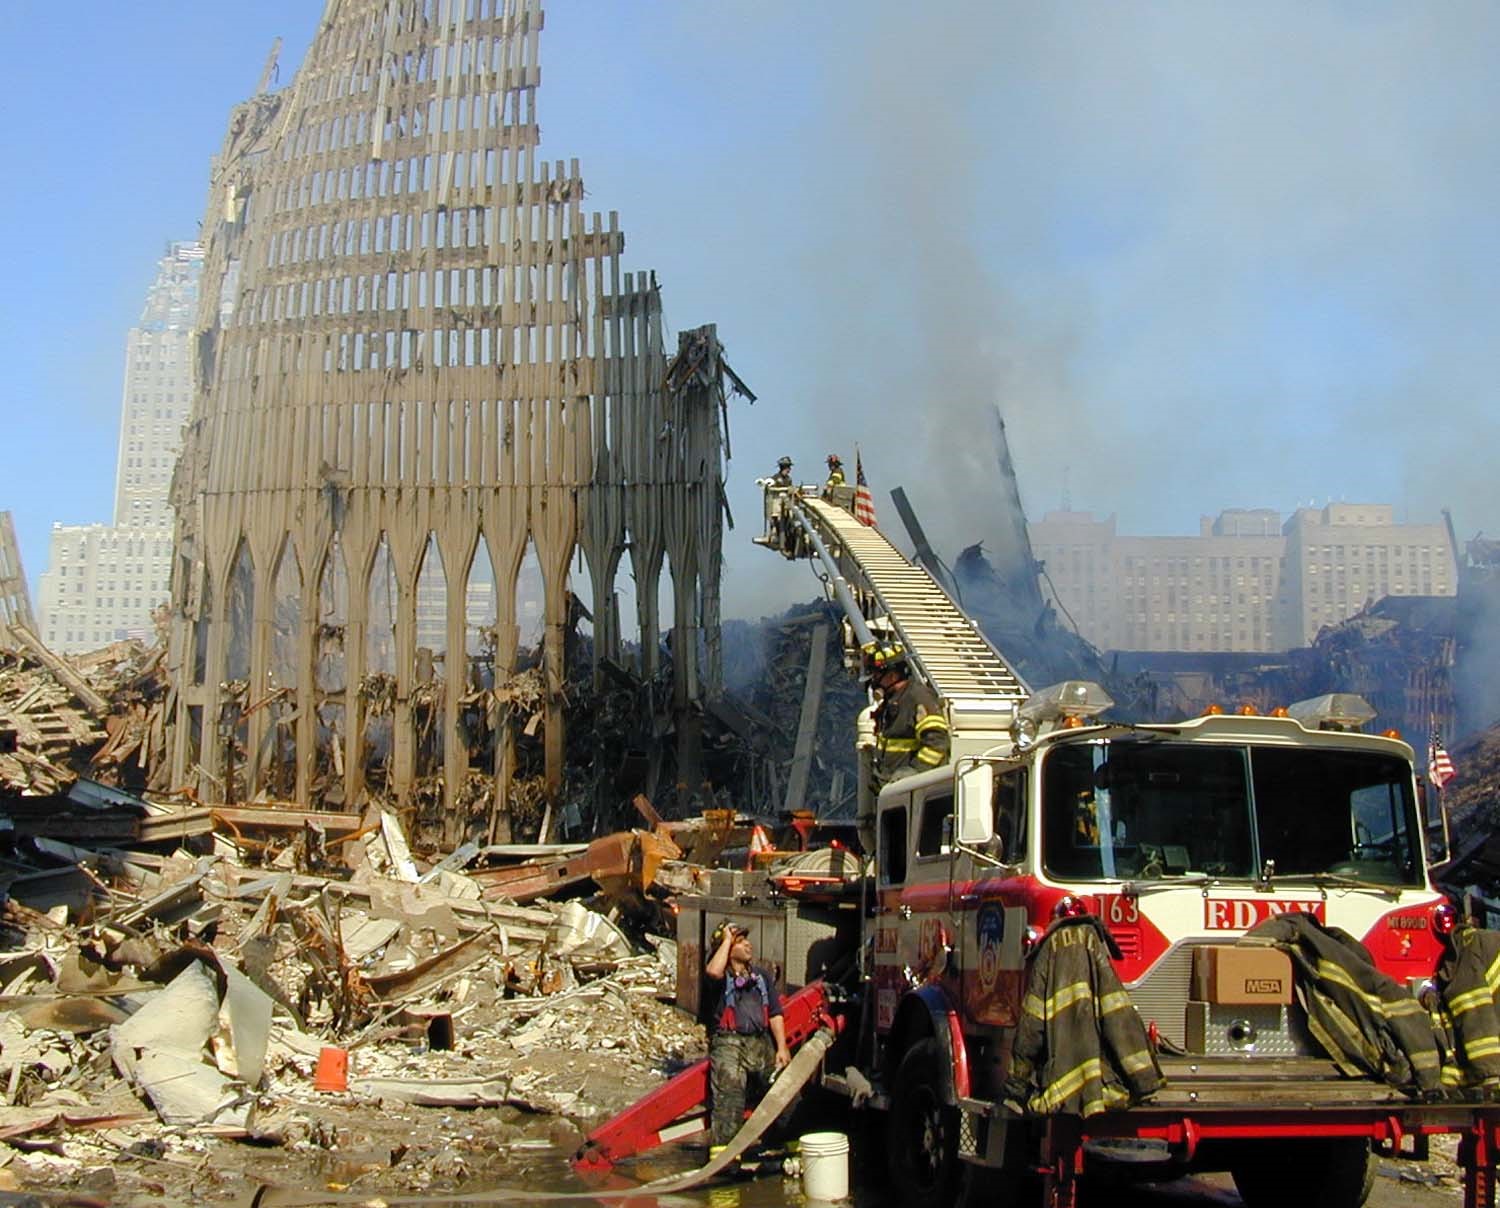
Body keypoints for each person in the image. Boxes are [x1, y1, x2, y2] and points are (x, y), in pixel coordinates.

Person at [704, 920, 790, 1152]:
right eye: (741, 942)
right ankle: (724, 1166)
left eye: (745, 940)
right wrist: (728, 940)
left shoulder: (760, 977)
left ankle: (779, 1149)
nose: (748, 945)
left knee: (786, 1095)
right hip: (729, 1046)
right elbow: (713, 971)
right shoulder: (720, 977)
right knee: (729, 1106)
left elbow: (774, 1013)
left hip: (761, 1044)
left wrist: (782, 1047)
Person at [868, 643, 950, 784]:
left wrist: (915, 771)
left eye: (876, 675)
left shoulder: (917, 698)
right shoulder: (894, 699)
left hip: (913, 793)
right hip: (892, 787)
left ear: (892, 676)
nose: (873, 681)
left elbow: (938, 743)